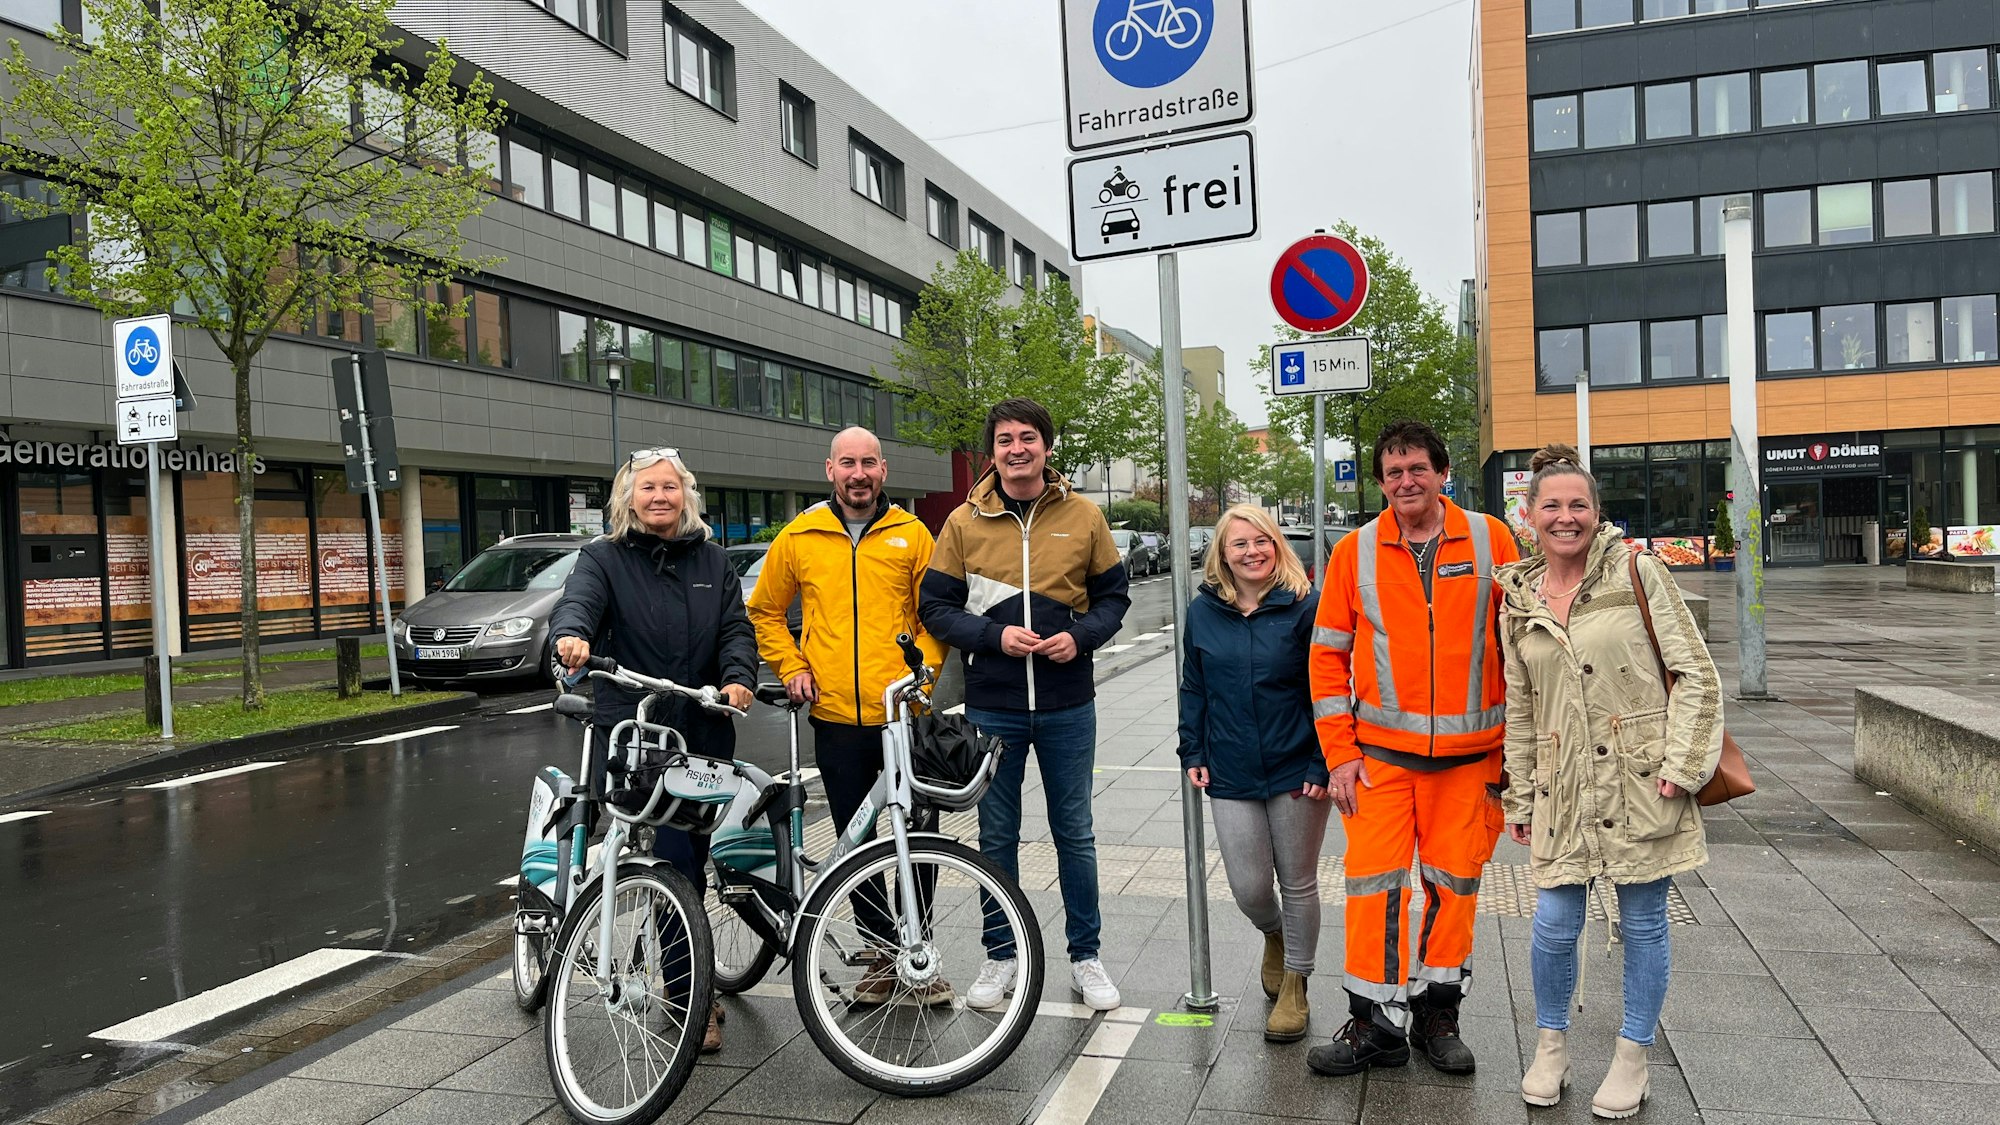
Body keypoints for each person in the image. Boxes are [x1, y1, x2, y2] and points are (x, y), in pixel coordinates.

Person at [1497, 443, 1721, 1118]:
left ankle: (1633, 1055)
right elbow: (1521, 703)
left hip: (1640, 778)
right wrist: (1518, 789)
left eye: (1579, 505)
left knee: (1644, 920)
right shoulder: (1516, 597)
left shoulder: (1638, 572)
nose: (1566, 517)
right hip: (1563, 785)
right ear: (1530, 515)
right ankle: (1551, 1046)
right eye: (1552, 505)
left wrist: (1682, 767)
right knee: (1554, 923)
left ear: (1597, 512)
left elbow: (1696, 675)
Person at [1306, 419, 1520, 1079]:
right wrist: (1340, 754)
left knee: (1454, 889)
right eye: (1393, 472)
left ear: (1442, 472)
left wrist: (1521, 753)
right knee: (1373, 892)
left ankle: (1436, 1014)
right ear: (1380, 482)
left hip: (1471, 761)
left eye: (1417, 469)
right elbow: (1326, 658)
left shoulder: (1491, 538)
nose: (1406, 481)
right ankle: (1375, 1024)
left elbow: (1522, 644)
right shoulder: (1356, 552)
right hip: (1381, 761)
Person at [920, 397, 1132, 1012]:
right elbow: (935, 608)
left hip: (1069, 704)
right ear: (993, 452)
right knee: (996, 837)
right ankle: (1000, 956)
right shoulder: (962, 523)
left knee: (1076, 835)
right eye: (1007, 439)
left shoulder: (1084, 516)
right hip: (994, 707)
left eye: (1029, 438)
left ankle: (1086, 957)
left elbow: (1113, 599)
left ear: (1046, 447)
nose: (1018, 448)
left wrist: (1081, 637)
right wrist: (993, 637)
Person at [550, 447, 757, 1054]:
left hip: (702, 725)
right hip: (636, 731)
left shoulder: (714, 562)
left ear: (686, 496)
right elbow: (578, 603)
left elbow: (733, 629)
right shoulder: (603, 558)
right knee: (670, 856)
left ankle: (687, 980)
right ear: (628, 499)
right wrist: (571, 637)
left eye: (670, 487)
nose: (659, 497)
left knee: (691, 853)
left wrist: (739, 674)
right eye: (648, 488)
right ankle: (690, 996)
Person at [746, 426, 948, 1004]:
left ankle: (922, 955)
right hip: (834, 715)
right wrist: (790, 666)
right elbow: (763, 611)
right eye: (847, 464)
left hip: (903, 715)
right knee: (855, 842)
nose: (858, 474)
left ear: (883, 470)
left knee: (920, 835)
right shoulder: (801, 535)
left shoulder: (913, 535)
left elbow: (934, 614)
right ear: (829, 470)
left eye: (869, 463)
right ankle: (884, 957)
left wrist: (922, 677)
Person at [1178, 503, 1330, 1043]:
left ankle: (1296, 982)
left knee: (1298, 881)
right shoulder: (1204, 612)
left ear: (1278, 545)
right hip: (1230, 765)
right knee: (1248, 887)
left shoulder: (1306, 606)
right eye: (1239, 544)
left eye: (1262, 540)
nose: (1252, 551)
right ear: (1222, 555)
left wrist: (1321, 760)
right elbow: (1194, 684)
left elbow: (1328, 689)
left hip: (1298, 769)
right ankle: (1273, 935)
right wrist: (1192, 749)